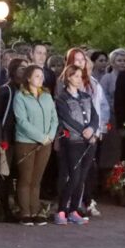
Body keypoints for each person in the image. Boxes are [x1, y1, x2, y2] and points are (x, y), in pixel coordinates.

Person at [13, 64, 57, 225]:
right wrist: (40, 137)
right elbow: (22, 121)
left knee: (37, 179)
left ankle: (35, 210)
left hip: (46, 142)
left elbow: (54, 117)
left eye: (42, 76)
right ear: (28, 78)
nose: (41, 79)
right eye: (37, 76)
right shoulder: (20, 96)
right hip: (26, 142)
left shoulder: (46, 95)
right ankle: (25, 212)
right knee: (26, 178)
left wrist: (50, 136)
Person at [55, 63, 98, 225]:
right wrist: (83, 131)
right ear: (68, 77)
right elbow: (67, 119)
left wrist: (92, 129)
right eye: (76, 76)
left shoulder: (86, 96)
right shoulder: (62, 98)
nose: (79, 79)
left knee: (82, 178)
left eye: (81, 76)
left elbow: (95, 115)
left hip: (89, 142)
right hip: (73, 142)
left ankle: (73, 210)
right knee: (73, 177)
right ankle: (61, 209)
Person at [0, 57, 26, 222]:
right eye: (21, 68)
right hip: (8, 139)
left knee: (19, 175)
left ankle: (18, 207)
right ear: (13, 71)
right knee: (5, 175)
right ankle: (3, 209)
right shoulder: (6, 90)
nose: (24, 71)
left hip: (23, 139)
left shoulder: (27, 90)